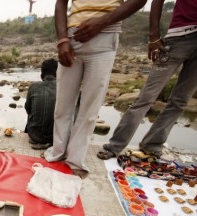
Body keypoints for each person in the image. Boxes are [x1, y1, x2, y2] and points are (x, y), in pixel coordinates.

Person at [44, 0, 147, 179]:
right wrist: (62, 40)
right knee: (62, 104)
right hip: (72, 36)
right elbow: (60, 3)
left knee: (89, 108)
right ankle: (58, 152)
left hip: (105, 36)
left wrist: (103, 21)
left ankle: (75, 160)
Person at [97, 0, 197, 160]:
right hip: (179, 37)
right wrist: (154, 36)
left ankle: (152, 145)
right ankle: (114, 146)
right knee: (146, 97)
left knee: (180, 101)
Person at [24, 58, 58, 150]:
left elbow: (28, 109)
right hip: (56, 138)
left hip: (35, 136)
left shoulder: (33, 87)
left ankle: (31, 135)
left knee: (30, 110)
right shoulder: (64, 88)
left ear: (42, 74)